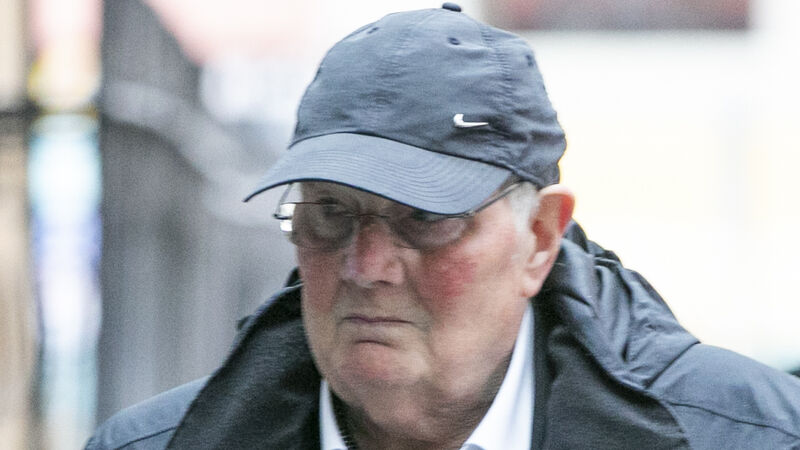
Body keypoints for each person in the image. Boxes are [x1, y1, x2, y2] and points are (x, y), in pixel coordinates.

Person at [87, 4, 800, 449]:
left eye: (425, 218)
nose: (366, 265)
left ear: (540, 240)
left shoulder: (754, 437)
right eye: (330, 214)